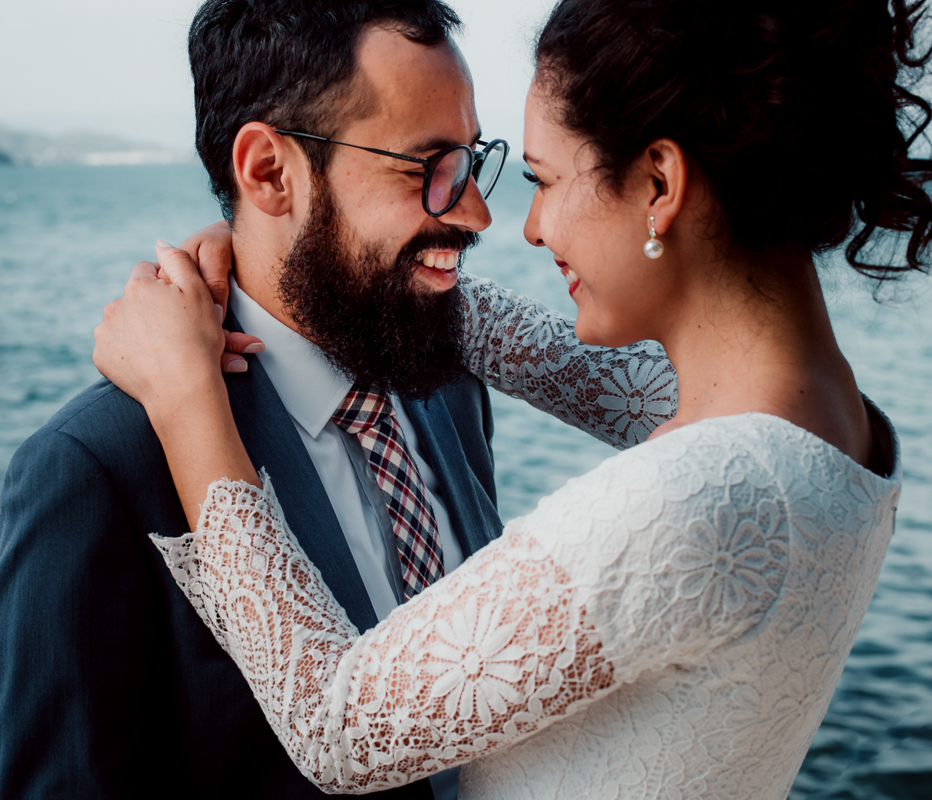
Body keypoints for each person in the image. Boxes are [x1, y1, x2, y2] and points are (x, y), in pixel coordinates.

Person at [91, 0, 931, 797]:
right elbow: (548, 358)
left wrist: (184, 391)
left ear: (659, 183)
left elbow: (335, 727)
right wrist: (271, 243)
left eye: (541, 178)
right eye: (440, 169)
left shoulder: (689, 498)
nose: (516, 223)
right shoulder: (834, 421)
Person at [0, 1, 674, 797]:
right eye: (427, 169)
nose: (477, 211)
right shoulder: (94, 469)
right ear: (269, 172)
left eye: (471, 161)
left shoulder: (442, 378)